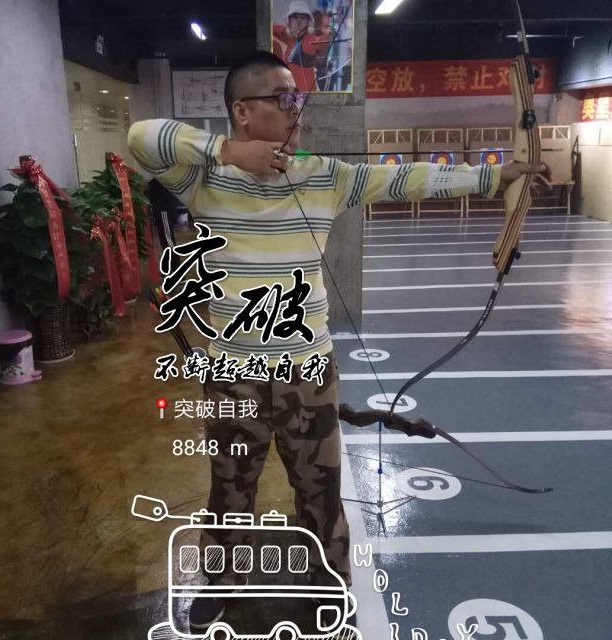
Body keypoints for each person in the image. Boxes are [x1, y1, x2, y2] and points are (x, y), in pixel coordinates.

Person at [128, 50, 547, 634]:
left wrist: (494, 175)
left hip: (307, 370)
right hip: (232, 373)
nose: (295, 109)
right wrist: (226, 151)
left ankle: (329, 584)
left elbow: (403, 178)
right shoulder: (202, 177)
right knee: (229, 489)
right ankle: (222, 582)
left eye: (297, 98)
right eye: (283, 98)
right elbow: (140, 137)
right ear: (243, 111)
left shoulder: (324, 175)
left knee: (320, 489)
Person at [272, 0, 331, 91]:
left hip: (306, 94)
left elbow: (320, 42)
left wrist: (328, 34)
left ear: (308, 21)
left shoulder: (310, 39)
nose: (299, 20)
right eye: (295, 17)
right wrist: (285, 30)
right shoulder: (289, 38)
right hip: (292, 92)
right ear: (289, 20)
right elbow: (269, 28)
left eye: (303, 17)